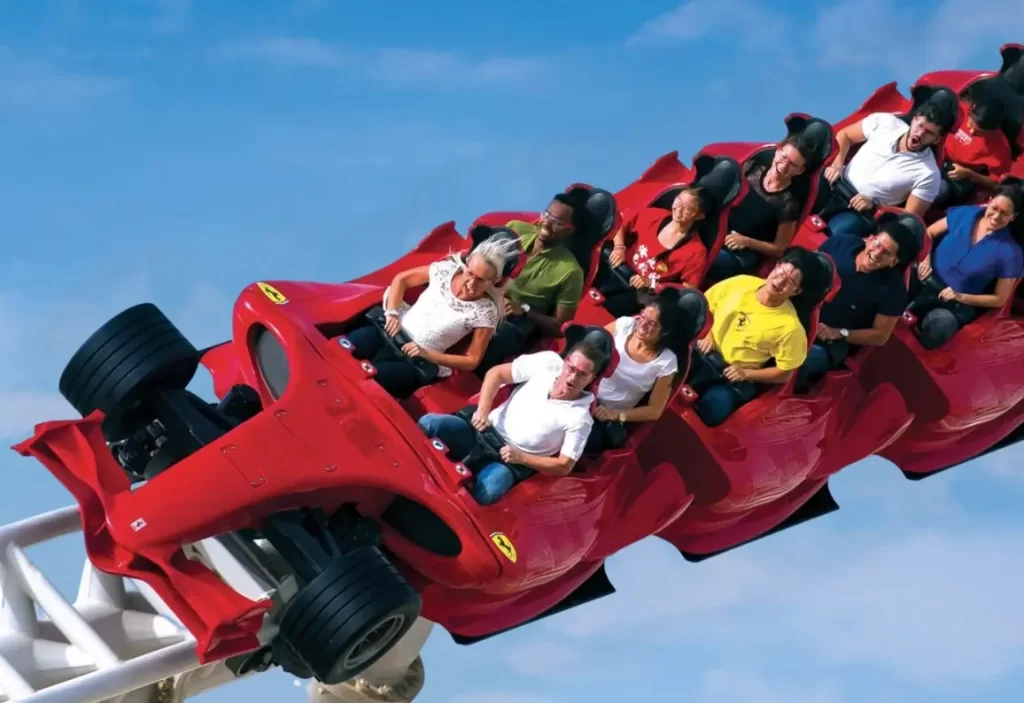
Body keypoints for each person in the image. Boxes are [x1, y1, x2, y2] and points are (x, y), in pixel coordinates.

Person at [417, 339, 607, 505]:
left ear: (592, 378)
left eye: (582, 374)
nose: (572, 377)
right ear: (565, 362)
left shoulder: (581, 418)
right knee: (430, 423)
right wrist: (483, 411)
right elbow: (496, 374)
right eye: (571, 368)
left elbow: (564, 465)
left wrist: (522, 458)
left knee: (489, 491)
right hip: (483, 430)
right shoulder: (548, 362)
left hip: (510, 460)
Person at [344, 233, 521, 398]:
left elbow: (472, 360)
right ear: (466, 265)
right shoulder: (445, 271)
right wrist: (392, 313)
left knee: (373, 380)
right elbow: (402, 280)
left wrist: (427, 354)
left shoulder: (486, 311)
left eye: (481, 280)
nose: (471, 283)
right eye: (470, 273)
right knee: (346, 346)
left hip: (414, 361)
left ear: (493, 282)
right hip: (390, 333)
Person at [688, 247, 829, 427]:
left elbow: (784, 373)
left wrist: (746, 374)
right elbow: (705, 306)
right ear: (776, 266)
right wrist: (707, 334)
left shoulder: (791, 328)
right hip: (702, 351)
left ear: (796, 291)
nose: (780, 281)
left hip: (729, 377)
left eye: (790, 281)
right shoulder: (741, 283)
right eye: (781, 272)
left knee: (713, 407)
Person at [795, 219, 920, 390]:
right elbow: (807, 266)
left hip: (828, 342)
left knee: (799, 358)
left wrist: (839, 333)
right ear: (870, 239)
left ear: (894, 262)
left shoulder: (893, 291)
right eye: (877, 245)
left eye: (887, 253)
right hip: (795, 314)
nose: (877, 254)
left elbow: (880, 335)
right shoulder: (842, 243)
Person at [475, 188, 589, 374]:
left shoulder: (570, 271)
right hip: (483, 291)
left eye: (557, 222)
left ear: (570, 230)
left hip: (513, 320)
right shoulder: (516, 229)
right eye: (547, 215)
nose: (547, 223)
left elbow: (561, 327)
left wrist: (525, 311)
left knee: (502, 336)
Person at [908, 186, 1024, 349]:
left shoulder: (1012, 253)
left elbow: (999, 299)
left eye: (1004, 213)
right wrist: (925, 260)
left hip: (954, 303)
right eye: (994, 208)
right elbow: (929, 233)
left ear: (1013, 217)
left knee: (941, 326)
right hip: (925, 279)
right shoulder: (966, 214)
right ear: (989, 201)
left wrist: (961, 296)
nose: (996, 216)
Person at [820, 102, 956, 237]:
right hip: (836, 183)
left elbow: (907, 219)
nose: (920, 134)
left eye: (929, 133)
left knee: (838, 231)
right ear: (914, 119)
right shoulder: (885, 122)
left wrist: (873, 204)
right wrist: (836, 164)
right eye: (920, 125)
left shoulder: (929, 174)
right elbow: (845, 136)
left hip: (861, 212)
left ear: (936, 139)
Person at [585, 290, 689, 453]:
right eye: (643, 316)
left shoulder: (666, 362)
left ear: (665, 331)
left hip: (603, 416)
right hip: (583, 391)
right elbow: (589, 348)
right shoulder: (625, 325)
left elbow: (654, 410)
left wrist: (616, 415)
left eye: (652, 323)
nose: (643, 324)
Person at [707, 134, 815, 280]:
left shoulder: (789, 202)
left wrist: (746, 241)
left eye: (793, 165)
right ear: (777, 150)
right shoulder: (754, 166)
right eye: (784, 157)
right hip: (717, 228)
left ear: (800, 170)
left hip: (741, 250)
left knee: (706, 257)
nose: (784, 166)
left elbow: (780, 248)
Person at [597, 188, 708, 317]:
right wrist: (619, 247)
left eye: (688, 208)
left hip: (643, 293)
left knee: (610, 308)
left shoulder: (696, 251)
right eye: (678, 201)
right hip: (618, 268)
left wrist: (652, 284)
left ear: (699, 216)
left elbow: (689, 289)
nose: (679, 209)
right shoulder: (654, 216)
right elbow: (619, 220)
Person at [935, 96, 1014, 207]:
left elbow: (997, 183)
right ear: (971, 108)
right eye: (971, 123)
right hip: (934, 154)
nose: (971, 132)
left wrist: (969, 174)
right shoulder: (958, 109)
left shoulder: (1000, 148)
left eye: (980, 132)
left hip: (957, 176)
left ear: (994, 130)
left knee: (936, 190)